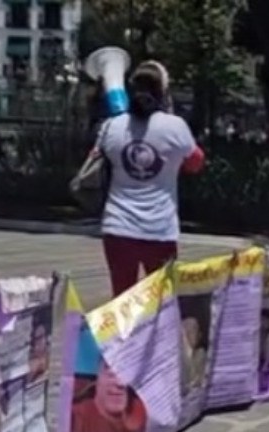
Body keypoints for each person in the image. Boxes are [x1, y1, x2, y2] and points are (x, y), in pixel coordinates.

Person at [87, 62, 206, 296]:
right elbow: (196, 163)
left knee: (122, 301)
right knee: (161, 303)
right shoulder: (175, 126)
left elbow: (94, 159)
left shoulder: (112, 125)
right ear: (163, 91)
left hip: (117, 228)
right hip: (159, 230)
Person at [70, 360, 148, 432]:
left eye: (125, 377)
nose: (119, 384)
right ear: (97, 380)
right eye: (111, 375)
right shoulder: (76, 417)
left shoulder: (144, 411)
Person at [180, 315, 208, 393]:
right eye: (187, 331)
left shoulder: (201, 354)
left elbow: (202, 381)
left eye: (195, 330)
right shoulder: (178, 360)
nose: (199, 335)